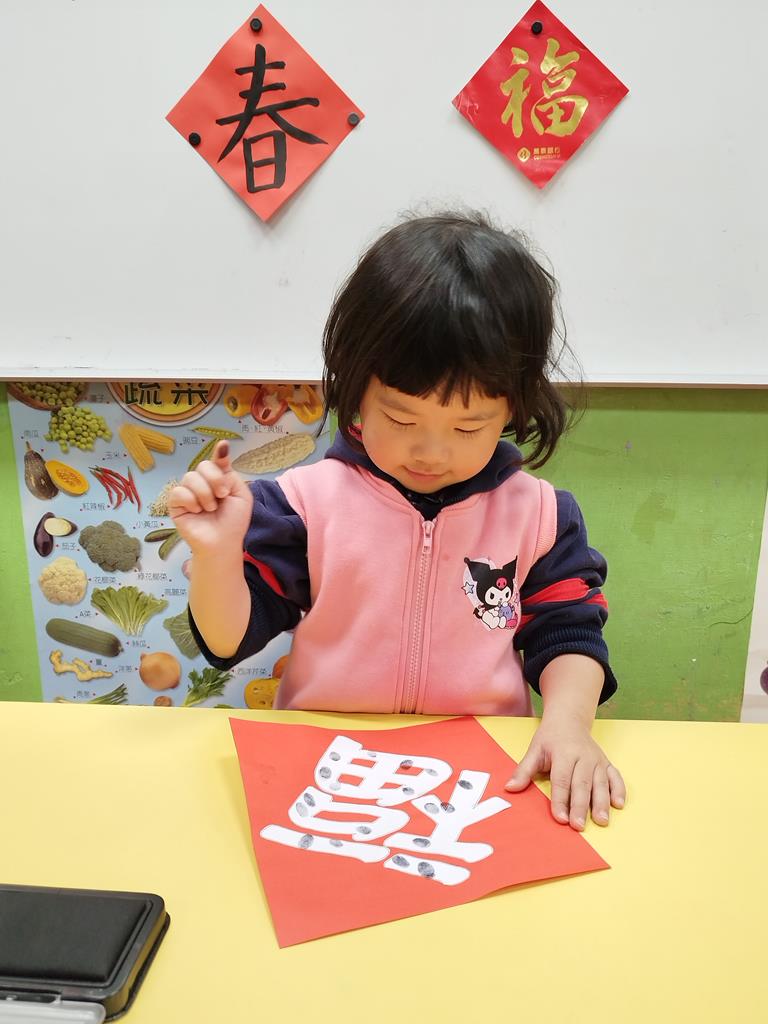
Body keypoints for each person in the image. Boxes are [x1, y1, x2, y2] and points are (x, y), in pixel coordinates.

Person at [169, 211, 626, 831]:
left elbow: (569, 634)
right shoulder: (305, 504)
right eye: (402, 419)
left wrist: (568, 727)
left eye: (469, 427)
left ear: (514, 407)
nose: (431, 452)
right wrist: (218, 555)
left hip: (480, 775)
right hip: (328, 771)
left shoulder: (540, 515)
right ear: (357, 386)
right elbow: (228, 642)